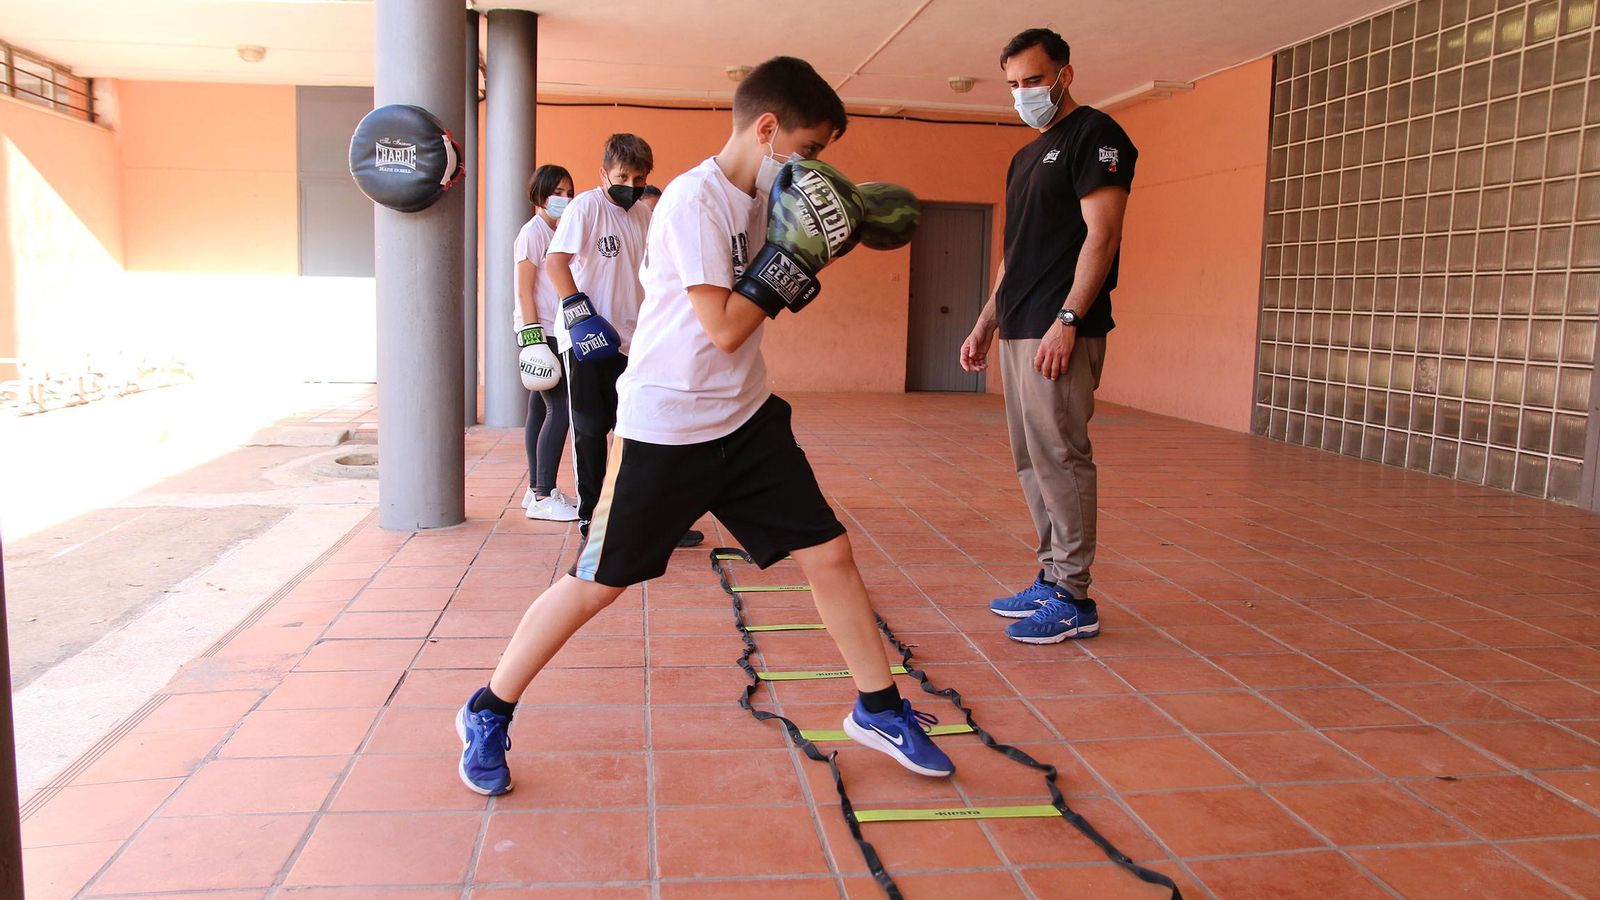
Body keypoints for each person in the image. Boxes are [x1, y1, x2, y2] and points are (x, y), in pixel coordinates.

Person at [456, 55, 954, 796]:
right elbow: (723, 325)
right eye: (809, 149)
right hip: (666, 427)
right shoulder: (695, 202)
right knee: (597, 585)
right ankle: (488, 708)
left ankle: (877, 708)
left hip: (746, 419)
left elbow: (754, 315)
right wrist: (790, 264)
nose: (813, 168)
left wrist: (834, 234)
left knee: (831, 555)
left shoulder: (765, 199)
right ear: (767, 128)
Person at [959, 27, 1137, 644]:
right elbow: (1015, 254)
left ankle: (1074, 596)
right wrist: (987, 321)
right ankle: (1050, 573)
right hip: (1020, 329)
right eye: (1013, 85)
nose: (1023, 94)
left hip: (1059, 330)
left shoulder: (1096, 135)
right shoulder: (1025, 155)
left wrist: (1068, 319)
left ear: (1064, 73)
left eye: (1033, 80)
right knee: (1030, 459)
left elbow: (1102, 235)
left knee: (1062, 456)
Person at [544, 134, 703, 548]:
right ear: (603, 174)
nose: (630, 184)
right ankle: (594, 521)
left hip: (634, 342)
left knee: (644, 433)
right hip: (587, 342)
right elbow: (555, 262)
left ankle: (648, 519)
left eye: (638, 177)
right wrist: (579, 315)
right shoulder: (586, 208)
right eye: (622, 176)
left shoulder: (643, 217)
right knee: (591, 432)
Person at [514, 164, 580, 521]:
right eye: (557, 192)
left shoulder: (559, 230)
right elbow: (524, 291)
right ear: (540, 194)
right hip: (541, 332)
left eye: (569, 192)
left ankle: (534, 489)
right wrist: (533, 340)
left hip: (556, 329)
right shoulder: (532, 233)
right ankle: (543, 494)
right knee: (561, 408)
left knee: (539, 410)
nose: (564, 199)